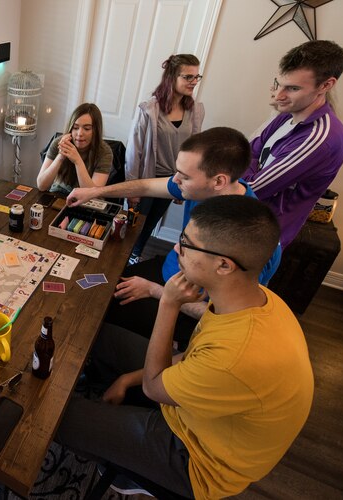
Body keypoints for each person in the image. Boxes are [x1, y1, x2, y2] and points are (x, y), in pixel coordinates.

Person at [57, 195, 313, 498]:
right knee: (99, 335)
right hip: (197, 407)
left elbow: (155, 387)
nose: (176, 249)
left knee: (56, 417)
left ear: (223, 265)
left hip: (195, 459)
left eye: (187, 244)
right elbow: (191, 358)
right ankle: (116, 436)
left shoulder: (236, 356)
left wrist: (169, 302)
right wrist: (126, 379)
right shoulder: (256, 302)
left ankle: (136, 471)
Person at [67, 127, 281, 346]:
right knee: (96, 294)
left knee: (99, 321)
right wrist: (95, 192)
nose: (175, 180)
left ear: (219, 181)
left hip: (188, 309)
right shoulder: (200, 187)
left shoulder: (252, 236)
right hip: (170, 273)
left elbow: (228, 318)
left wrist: (154, 290)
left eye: (185, 176)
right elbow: (146, 185)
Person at [244, 40, 343, 247]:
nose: (278, 96)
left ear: (326, 85)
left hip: (260, 236)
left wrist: (245, 172)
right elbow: (250, 152)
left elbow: (252, 190)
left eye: (292, 88)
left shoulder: (319, 138)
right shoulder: (288, 114)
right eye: (278, 84)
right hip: (242, 218)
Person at [126, 54, 205, 265]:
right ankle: (123, 257)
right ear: (172, 77)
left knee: (151, 222)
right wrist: (131, 187)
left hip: (172, 180)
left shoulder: (196, 111)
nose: (194, 82)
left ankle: (136, 255)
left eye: (197, 77)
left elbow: (195, 151)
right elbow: (134, 150)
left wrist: (187, 183)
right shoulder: (149, 110)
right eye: (188, 77)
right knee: (135, 223)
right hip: (147, 179)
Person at [36, 102, 112, 195]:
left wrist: (77, 161)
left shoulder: (105, 152)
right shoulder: (59, 142)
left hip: (86, 203)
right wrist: (60, 156)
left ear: (96, 130)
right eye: (75, 128)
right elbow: (41, 185)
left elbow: (92, 195)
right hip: (58, 195)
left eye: (87, 129)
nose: (79, 133)